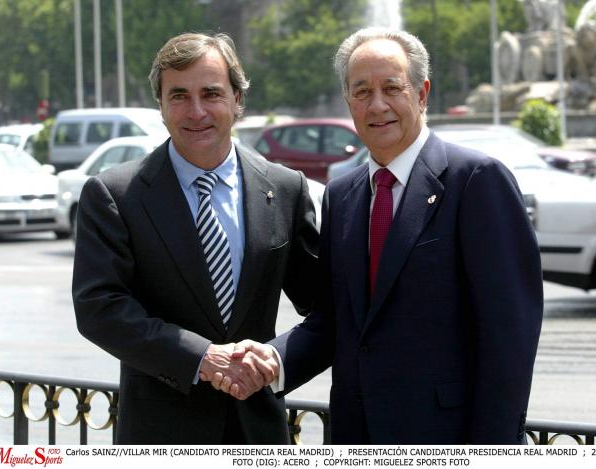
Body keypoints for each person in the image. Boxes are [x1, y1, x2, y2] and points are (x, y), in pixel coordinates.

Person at [212, 27, 543, 444]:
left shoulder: (476, 181)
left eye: (392, 87)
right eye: (362, 91)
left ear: (422, 93)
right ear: (348, 101)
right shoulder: (342, 195)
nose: (378, 104)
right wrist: (272, 358)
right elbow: (334, 321)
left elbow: (509, 336)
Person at [72, 32, 318, 444]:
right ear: (161, 105)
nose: (196, 111)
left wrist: (275, 360)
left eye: (211, 93)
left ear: (238, 100)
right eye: (179, 96)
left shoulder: (285, 188)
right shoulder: (114, 195)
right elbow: (100, 308)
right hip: (161, 436)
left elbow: (326, 307)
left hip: (259, 432)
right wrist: (200, 358)